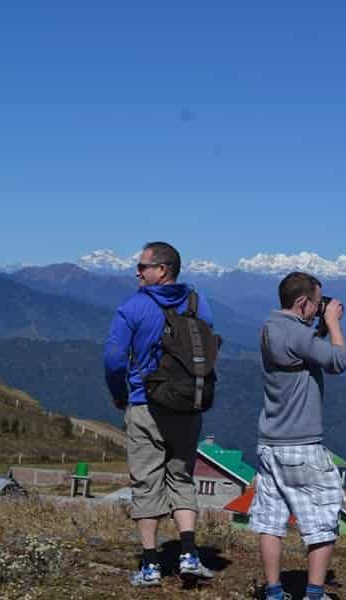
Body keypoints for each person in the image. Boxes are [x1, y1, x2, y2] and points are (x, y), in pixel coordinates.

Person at [103, 241, 217, 587]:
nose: (137, 271)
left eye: (142, 266)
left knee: (146, 482)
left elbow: (113, 358)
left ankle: (151, 565)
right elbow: (210, 349)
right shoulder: (199, 303)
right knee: (181, 478)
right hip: (187, 406)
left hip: (145, 404)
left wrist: (121, 395)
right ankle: (189, 554)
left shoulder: (134, 306)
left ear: (162, 270)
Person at [249, 271, 346, 600]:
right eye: (317, 304)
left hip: (270, 442)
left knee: (270, 519)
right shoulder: (296, 334)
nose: (320, 309)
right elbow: (339, 361)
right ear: (301, 302)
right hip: (302, 444)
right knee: (323, 516)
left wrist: (318, 324)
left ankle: (274, 591)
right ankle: (314, 593)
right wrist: (334, 323)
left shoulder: (270, 329)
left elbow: (305, 349)